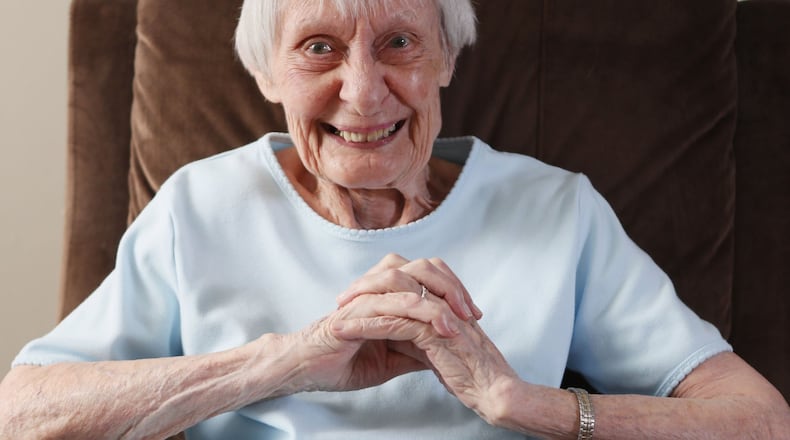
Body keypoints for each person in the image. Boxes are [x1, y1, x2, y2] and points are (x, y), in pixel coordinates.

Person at [1, 0, 789, 438]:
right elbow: (22, 412)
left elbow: (756, 420)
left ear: (446, 56)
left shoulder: (553, 209)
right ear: (266, 74)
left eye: (400, 44)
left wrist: (522, 403)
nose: (364, 91)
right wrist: (289, 361)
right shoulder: (198, 207)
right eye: (318, 48)